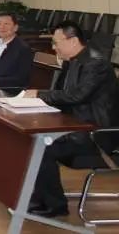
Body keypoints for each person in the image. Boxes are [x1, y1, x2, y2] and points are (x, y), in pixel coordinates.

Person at [23, 21, 119, 218]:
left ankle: (55, 205)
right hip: (76, 127)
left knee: (41, 148)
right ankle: (40, 198)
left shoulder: (96, 64)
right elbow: (61, 95)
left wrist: (39, 94)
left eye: (56, 42)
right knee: (31, 141)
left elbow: (76, 96)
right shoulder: (72, 61)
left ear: (73, 41)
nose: (53, 47)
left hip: (96, 135)